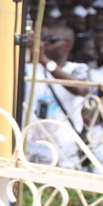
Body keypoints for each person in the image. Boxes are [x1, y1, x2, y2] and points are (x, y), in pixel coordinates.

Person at [24, 20, 92, 169]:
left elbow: (80, 89)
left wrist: (45, 61)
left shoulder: (78, 69)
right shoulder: (29, 69)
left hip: (65, 154)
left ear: (67, 45)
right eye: (43, 39)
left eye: (52, 40)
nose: (45, 43)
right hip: (30, 151)